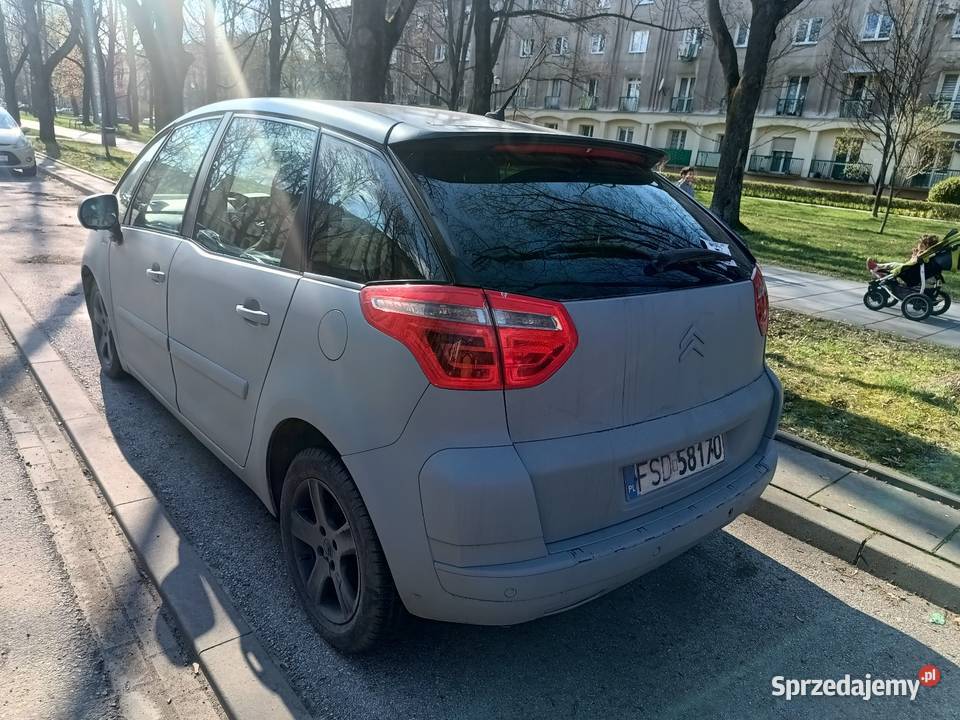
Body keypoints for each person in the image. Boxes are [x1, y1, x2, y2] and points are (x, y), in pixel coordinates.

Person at [867, 234, 938, 277]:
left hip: (909, 270)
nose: (917, 245)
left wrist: (915, 255)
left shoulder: (922, 254)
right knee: (894, 265)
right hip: (913, 270)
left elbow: (912, 263)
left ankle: (877, 267)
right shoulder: (928, 254)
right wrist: (914, 255)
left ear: (923, 245)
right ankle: (880, 271)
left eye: (919, 244)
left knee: (893, 264)